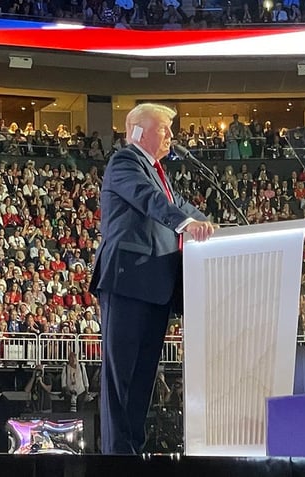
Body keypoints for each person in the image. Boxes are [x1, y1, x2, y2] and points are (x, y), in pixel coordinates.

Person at [89, 103, 215, 455]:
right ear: (139, 132)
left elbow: (181, 205)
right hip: (128, 281)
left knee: (142, 379)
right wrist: (187, 224)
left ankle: (133, 451)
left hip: (156, 287)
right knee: (122, 379)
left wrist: (211, 227)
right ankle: (118, 457)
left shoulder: (158, 172)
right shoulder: (125, 162)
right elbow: (150, 201)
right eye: (164, 129)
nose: (171, 137)